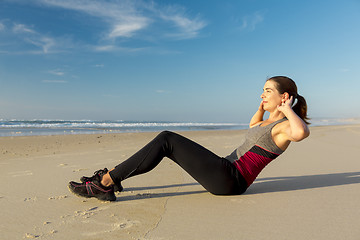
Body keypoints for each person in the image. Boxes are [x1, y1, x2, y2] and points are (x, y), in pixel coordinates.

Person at [68, 76, 310, 201]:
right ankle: (116, 176)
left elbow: (302, 133)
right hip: (225, 172)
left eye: (267, 90)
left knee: (167, 139)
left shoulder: (285, 126)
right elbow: (253, 125)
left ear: (284, 96)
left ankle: (106, 183)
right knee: (167, 146)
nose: (262, 94)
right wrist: (264, 105)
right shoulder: (268, 123)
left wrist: (287, 108)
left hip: (231, 179)